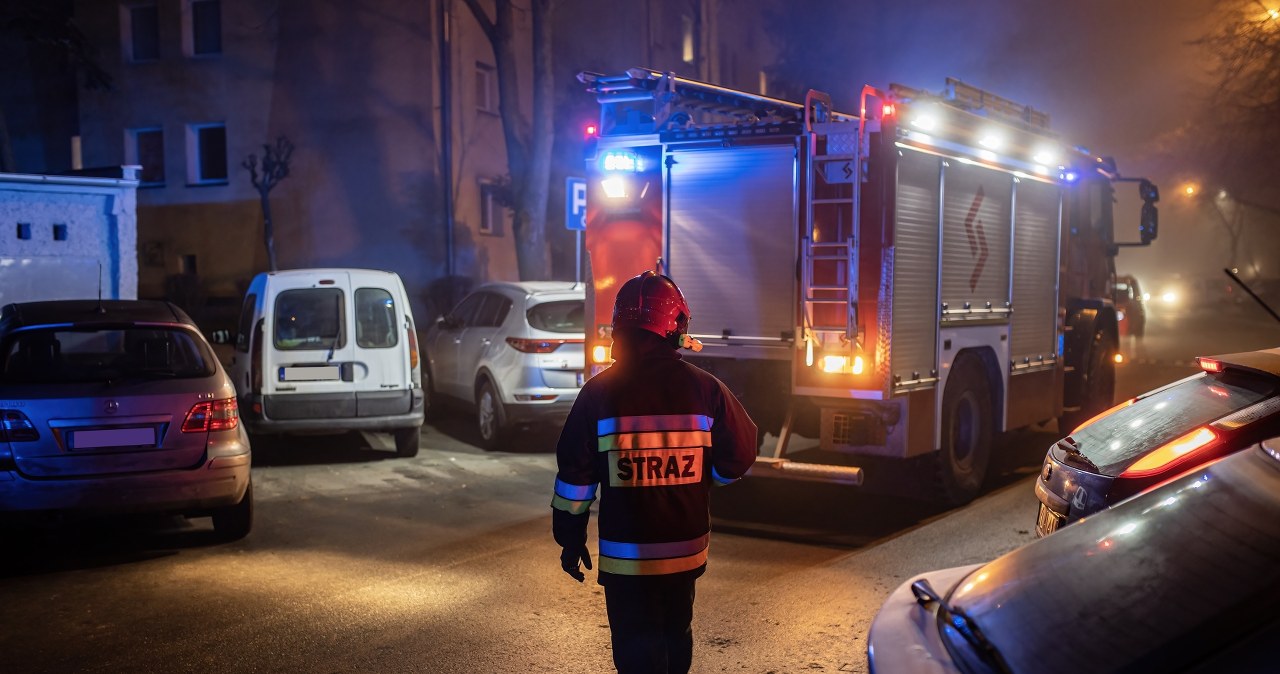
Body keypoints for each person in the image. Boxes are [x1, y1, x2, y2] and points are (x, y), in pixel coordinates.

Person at [551, 270, 758, 673]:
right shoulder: (706, 389)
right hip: (684, 553)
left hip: (626, 559)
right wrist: (706, 480)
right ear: (675, 325)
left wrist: (570, 539)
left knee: (635, 650)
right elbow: (742, 452)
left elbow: (575, 478)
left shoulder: (598, 393)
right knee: (676, 636)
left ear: (620, 326)